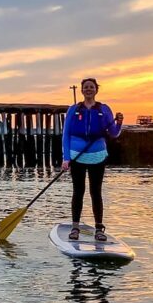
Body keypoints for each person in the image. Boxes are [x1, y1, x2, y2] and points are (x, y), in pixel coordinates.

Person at [61, 77, 123, 242]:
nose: (89, 89)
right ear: (82, 90)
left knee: (96, 192)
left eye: (92, 87)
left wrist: (120, 122)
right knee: (78, 191)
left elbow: (114, 132)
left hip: (97, 156)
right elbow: (66, 134)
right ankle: (75, 227)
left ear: (96, 90)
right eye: (86, 87)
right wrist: (66, 158)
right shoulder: (74, 110)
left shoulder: (104, 109)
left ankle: (99, 229)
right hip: (77, 157)